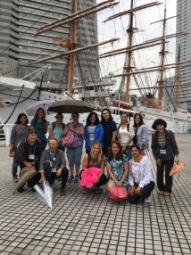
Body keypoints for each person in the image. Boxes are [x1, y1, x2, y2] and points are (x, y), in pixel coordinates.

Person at [151, 118, 179, 196]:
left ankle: (168, 189)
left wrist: (177, 155)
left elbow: (174, 145)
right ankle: (161, 188)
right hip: (159, 157)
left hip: (169, 156)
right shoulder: (154, 135)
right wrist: (156, 158)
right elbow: (153, 147)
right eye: (157, 126)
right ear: (155, 127)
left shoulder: (170, 134)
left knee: (168, 173)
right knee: (159, 173)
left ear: (164, 125)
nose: (159, 127)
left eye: (161, 125)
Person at [63, 112, 84, 183]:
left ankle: (77, 175)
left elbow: (82, 133)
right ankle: (71, 174)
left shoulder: (80, 125)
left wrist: (73, 130)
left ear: (78, 117)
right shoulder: (68, 124)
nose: (75, 117)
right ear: (72, 117)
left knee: (77, 160)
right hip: (69, 145)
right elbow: (63, 134)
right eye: (74, 116)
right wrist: (68, 129)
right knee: (70, 160)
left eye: (76, 116)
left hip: (78, 145)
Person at [9, 113, 31, 182]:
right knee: (16, 162)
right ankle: (14, 176)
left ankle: (22, 175)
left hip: (25, 147)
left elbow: (30, 137)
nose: (23, 119)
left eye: (25, 118)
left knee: (23, 162)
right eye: (22, 118)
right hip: (17, 147)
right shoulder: (16, 127)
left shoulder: (28, 127)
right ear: (19, 119)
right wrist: (11, 149)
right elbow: (12, 138)